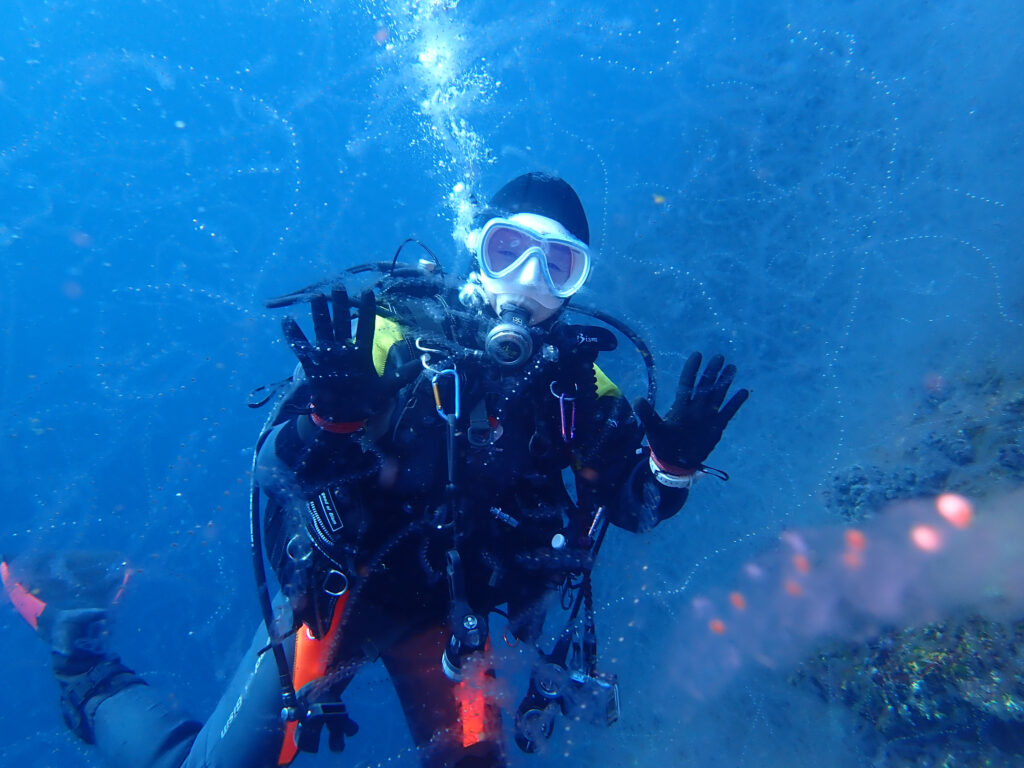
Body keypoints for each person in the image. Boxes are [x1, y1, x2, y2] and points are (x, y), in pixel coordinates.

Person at [2, 172, 748, 768]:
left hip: (449, 617)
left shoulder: (581, 390)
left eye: (558, 265)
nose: (527, 280)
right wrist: (331, 418)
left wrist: (672, 465)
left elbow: (635, 508)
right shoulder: (387, 338)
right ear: (474, 247)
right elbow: (275, 471)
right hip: (343, 592)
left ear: (577, 282)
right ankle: (81, 653)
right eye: (509, 249)